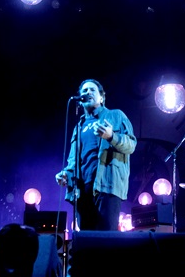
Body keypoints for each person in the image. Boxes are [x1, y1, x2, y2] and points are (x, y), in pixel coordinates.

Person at [55, 78, 137, 231]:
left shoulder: (116, 116)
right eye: (84, 91)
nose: (88, 92)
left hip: (107, 186)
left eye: (92, 90)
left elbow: (131, 145)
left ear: (102, 97)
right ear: (80, 100)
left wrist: (112, 136)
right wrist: (66, 174)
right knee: (87, 239)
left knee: (106, 238)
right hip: (82, 190)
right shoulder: (78, 127)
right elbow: (73, 160)